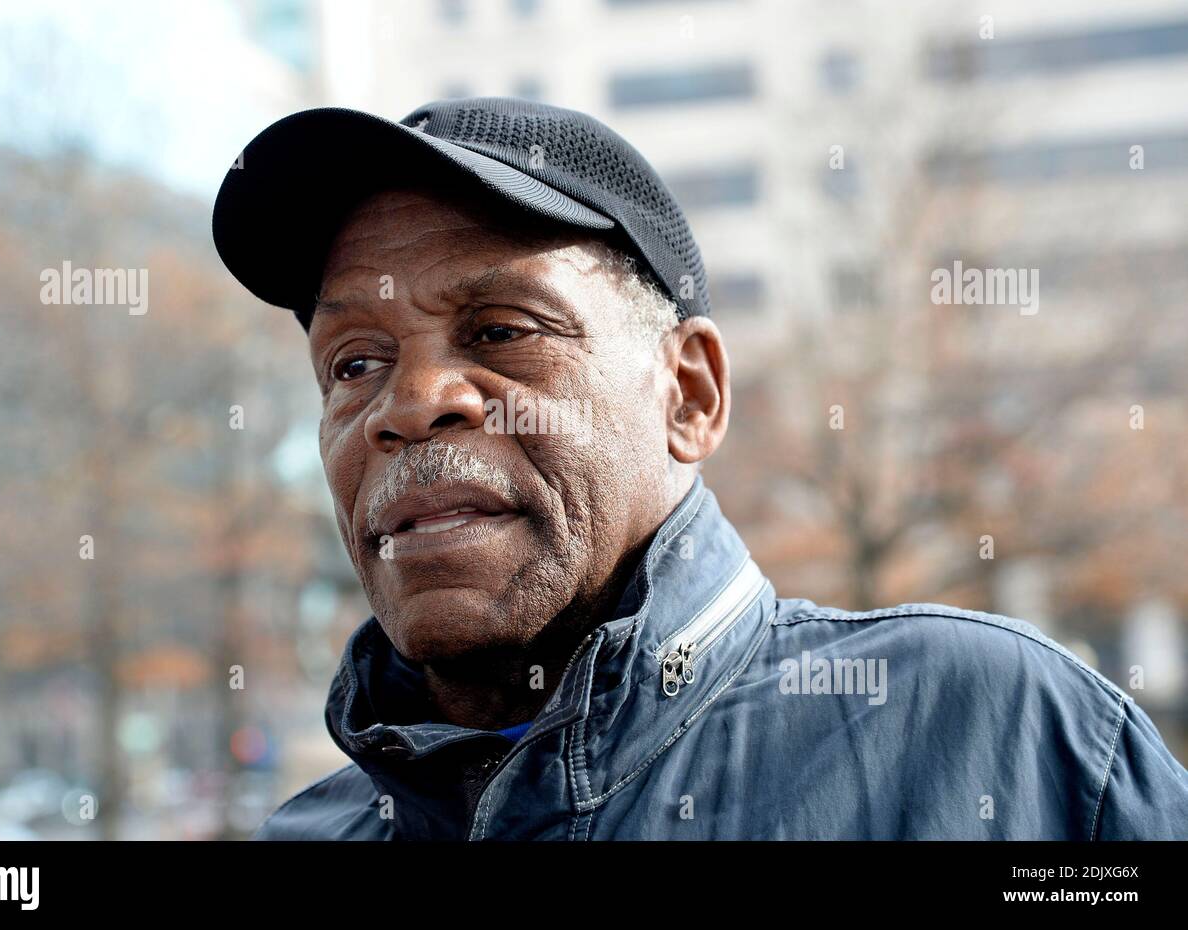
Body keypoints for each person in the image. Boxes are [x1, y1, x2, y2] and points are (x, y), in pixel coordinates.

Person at [212, 97, 1188, 839]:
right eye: (354, 364)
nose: (411, 403)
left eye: (500, 329)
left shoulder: (1002, 737)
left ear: (690, 395)